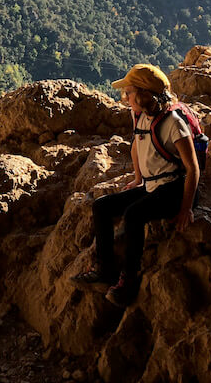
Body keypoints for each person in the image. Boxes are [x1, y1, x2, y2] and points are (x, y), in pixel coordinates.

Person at [73, 63, 201, 306]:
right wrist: (138, 179)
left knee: (133, 216)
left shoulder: (174, 123)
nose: (125, 97)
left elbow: (192, 167)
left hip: (175, 189)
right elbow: (137, 147)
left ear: (144, 94)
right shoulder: (141, 116)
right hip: (153, 185)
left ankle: (128, 281)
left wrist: (186, 208)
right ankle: (104, 270)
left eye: (129, 92)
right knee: (102, 207)